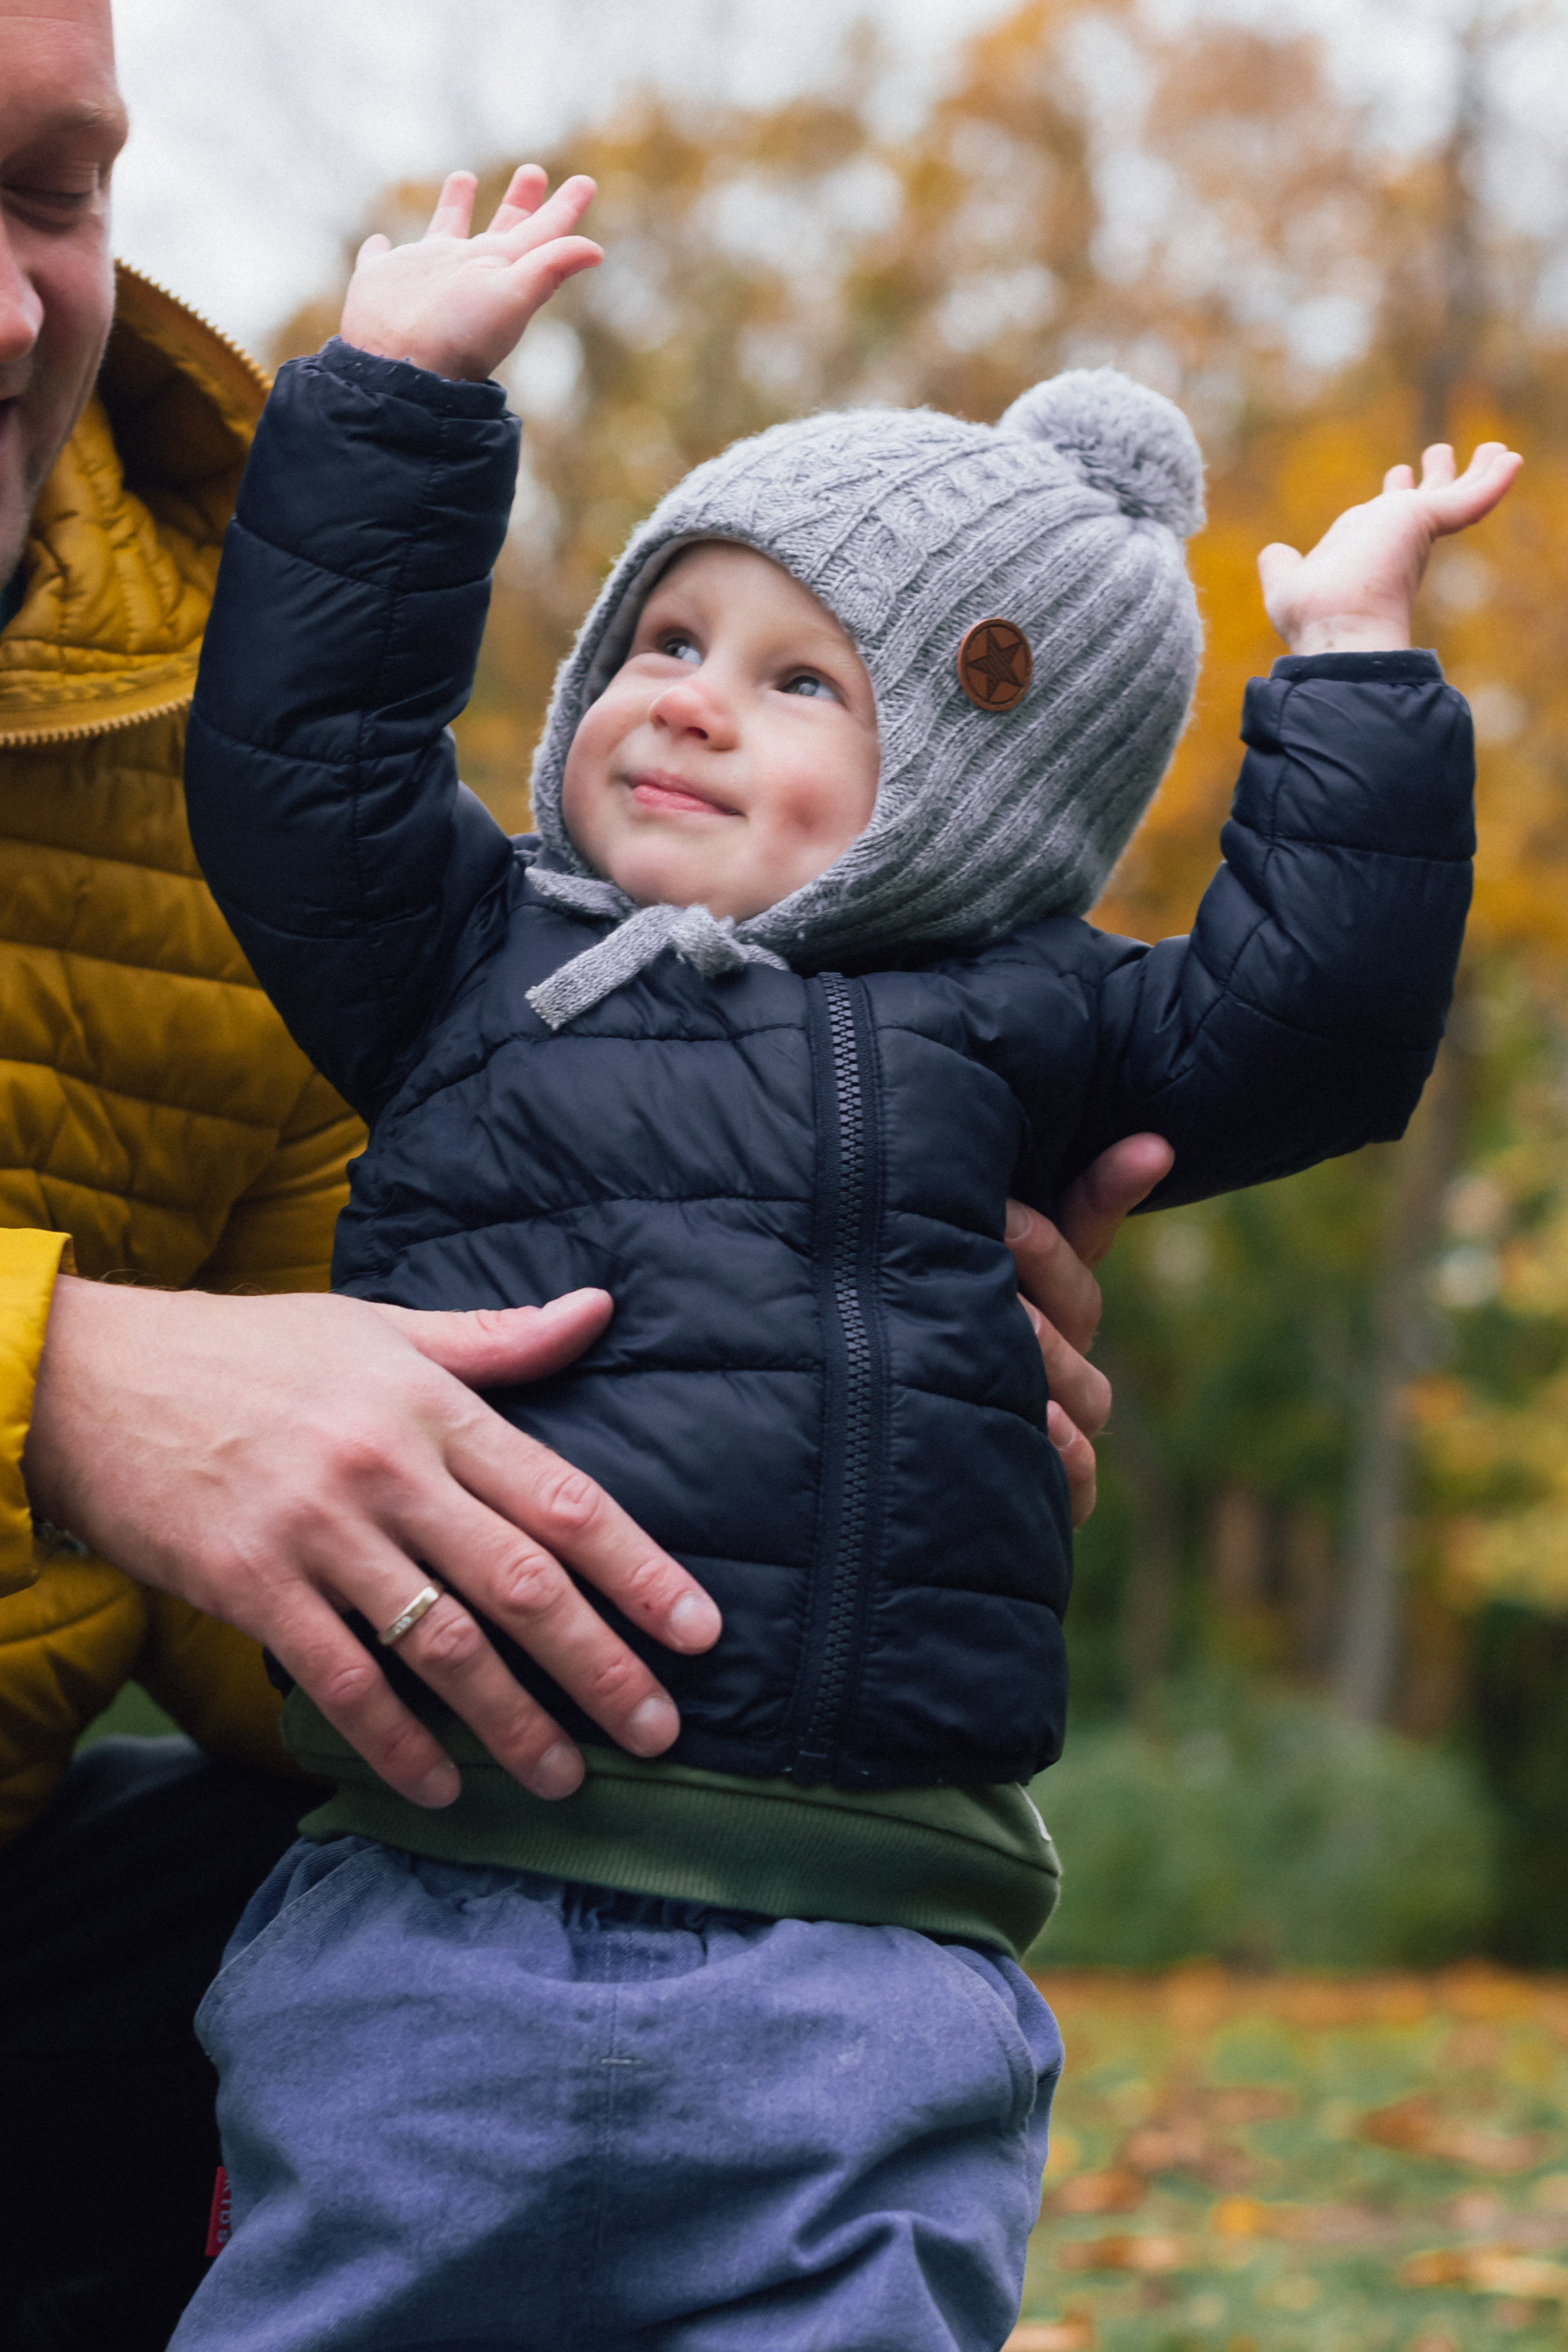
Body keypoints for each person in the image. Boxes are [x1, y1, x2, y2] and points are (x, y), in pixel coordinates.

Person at [158, 169, 1514, 2352]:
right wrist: (396, 398)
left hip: (866, 1966)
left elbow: (1320, 1035)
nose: (691, 701)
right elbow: (296, 766)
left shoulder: (1034, 1018)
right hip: (441, 1908)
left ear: (981, 788)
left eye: (803, 682)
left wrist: (1351, 663)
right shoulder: (462, 955)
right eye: (667, 639)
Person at [0, 16, 1137, 2342]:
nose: (15, 313)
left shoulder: (222, 748)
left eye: (46, 188)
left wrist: (766, 1433)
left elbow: (320, 1535)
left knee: (375, 1908)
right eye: (682, 642)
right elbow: (138, 1414)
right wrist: (60, 1374)